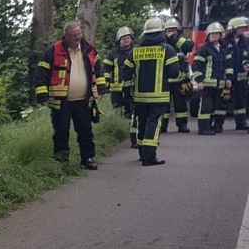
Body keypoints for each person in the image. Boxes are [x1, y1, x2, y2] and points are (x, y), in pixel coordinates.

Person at [34, 21, 106, 170]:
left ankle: (87, 158)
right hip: (61, 102)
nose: (77, 38)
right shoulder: (53, 51)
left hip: (84, 100)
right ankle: (61, 162)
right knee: (61, 133)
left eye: (79, 34)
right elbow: (41, 74)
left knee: (86, 131)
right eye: (73, 35)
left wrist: (101, 88)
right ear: (65, 36)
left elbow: (98, 70)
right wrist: (42, 96)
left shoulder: (89, 49)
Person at [121, 17, 180, 166]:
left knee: (142, 122)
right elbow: (174, 73)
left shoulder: (135, 51)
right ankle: (149, 157)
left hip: (139, 97)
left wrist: (127, 92)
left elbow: (126, 73)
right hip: (159, 96)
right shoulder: (167, 50)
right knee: (153, 124)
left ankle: (142, 153)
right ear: (161, 33)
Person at [192, 21, 230, 135]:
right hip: (207, 84)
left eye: (216, 33)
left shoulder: (224, 49)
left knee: (215, 106)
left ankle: (211, 126)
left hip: (220, 83)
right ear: (208, 35)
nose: (214, 35)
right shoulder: (204, 49)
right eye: (212, 34)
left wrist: (228, 78)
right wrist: (199, 81)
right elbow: (196, 65)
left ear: (221, 35)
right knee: (206, 107)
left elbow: (228, 65)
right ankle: (203, 129)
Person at [103, 26, 137, 147]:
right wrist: (106, 82)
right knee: (118, 111)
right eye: (123, 38)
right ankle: (120, 133)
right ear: (119, 40)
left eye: (128, 38)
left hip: (132, 88)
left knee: (132, 112)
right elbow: (106, 69)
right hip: (116, 89)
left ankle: (132, 135)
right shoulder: (112, 54)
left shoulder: (136, 51)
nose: (126, 40)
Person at [162, 17, 193, 133]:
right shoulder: (162, 44)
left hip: (180, 80)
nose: (171, 33)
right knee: (164, 105)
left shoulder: (182, 42)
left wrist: (175, 39)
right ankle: (163, 126)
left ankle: (182, 125)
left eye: (174, 30)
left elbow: (189, 46)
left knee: (181, 105)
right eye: (169, 30)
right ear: (164, 32)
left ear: (178, 31)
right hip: (165, 80)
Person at [223, 16, 249, 130]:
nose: (242, 30)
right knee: (223, 99)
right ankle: (218, 124)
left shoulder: (246, 41)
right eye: (240, 28)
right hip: (227, 76)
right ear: (233, 29)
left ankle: (241, 123)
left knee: (241, 100)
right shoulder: (224, 41)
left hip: (241, 75)